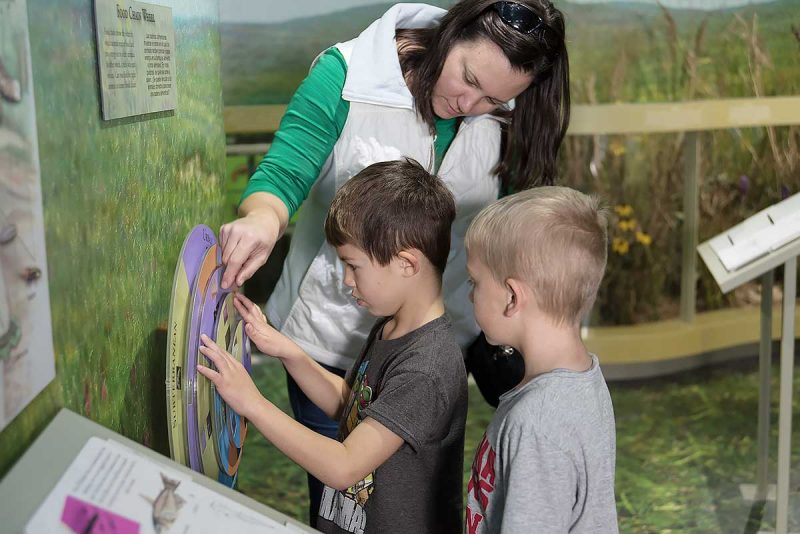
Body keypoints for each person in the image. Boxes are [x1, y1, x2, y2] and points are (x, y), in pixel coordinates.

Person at [219, 0, 569, 521]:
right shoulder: (347, 73)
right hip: (332, 338)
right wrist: (263, 221)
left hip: (432, 341)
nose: (468, 103)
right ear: (452, 32)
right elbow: (284, 174)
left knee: (393, 493)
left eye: (494, 98)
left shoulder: (508, 116)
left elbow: (517, 235)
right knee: (342, 509)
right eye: (468, 78)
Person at [199, 159, 468, 533]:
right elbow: (353, 406)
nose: (346, 280)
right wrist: (290, 352)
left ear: (407, 264)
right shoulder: (391, 326)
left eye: (354, 266)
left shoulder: (426, 368)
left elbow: (344, 466)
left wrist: (253, 404)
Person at [463, 186, 618, 533]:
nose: (471, 295)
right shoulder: (586, 379)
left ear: (512, 298)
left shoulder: (535, 425)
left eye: (475, 282)